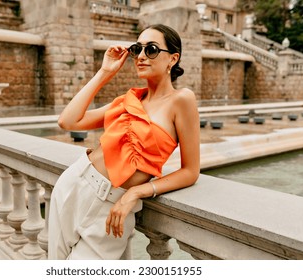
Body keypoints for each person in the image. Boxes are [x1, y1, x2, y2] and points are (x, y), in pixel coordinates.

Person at [48, 24, 200, 260]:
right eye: (137, 49)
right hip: (74, 183)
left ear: (173, 58)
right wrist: (105, 72)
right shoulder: (128, 99)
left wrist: (136, 193)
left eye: (151, 49)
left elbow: (190, 171)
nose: (140, 56)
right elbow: (68, 121)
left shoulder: (182, 100)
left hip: (112, 205)